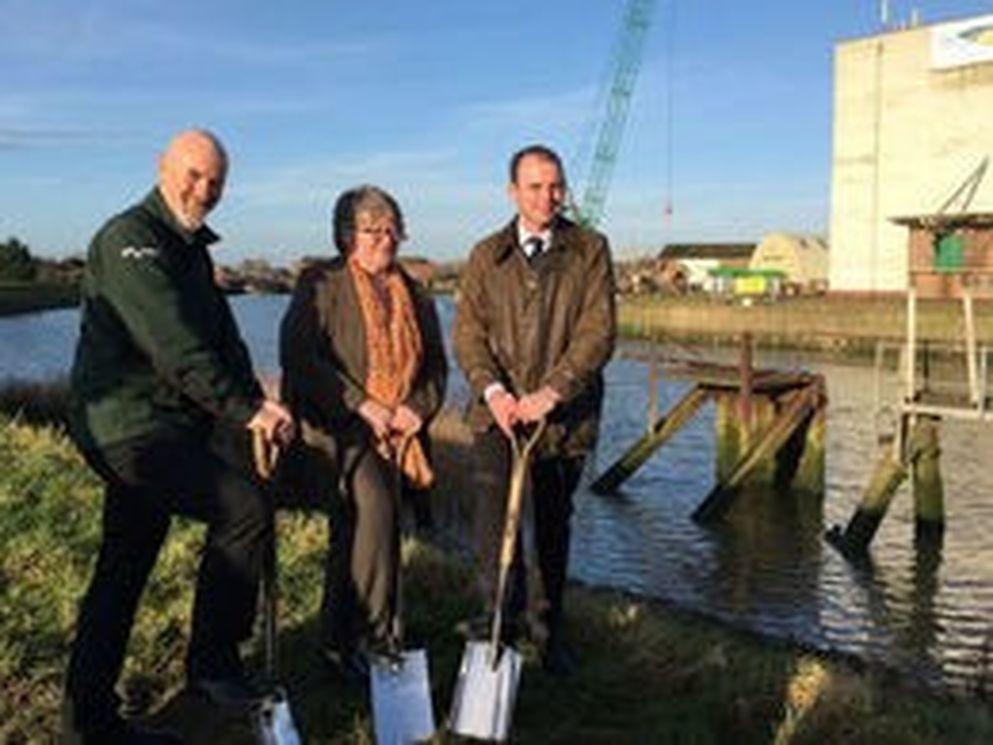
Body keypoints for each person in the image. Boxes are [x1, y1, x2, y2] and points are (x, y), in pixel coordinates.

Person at [62, 129, 295, 743]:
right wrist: (245, 411)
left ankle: (90, 718)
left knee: (125, 563)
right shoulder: (130, 240)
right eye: (194, 174)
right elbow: (174, 347)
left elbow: (223, 342)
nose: (205, 189)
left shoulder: (189, 249)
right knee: (243, 508)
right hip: (128, 427)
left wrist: (260, 402)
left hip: (162, 427)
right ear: (163, 168)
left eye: (216, 181)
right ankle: (213, 667)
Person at [452, 144, 616, 675]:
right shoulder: (485, 255)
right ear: (512, 192)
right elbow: (469, 333)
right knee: (493, 519)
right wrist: (494, 392)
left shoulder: (590, 249)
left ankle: (548, 631)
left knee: (551, 525)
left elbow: (598, 331)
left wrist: (553, 391)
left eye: (556, 186)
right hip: (497, 416)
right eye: (535, 187)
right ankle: (496, 623)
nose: (548, 197)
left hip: (562, 418)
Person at [280, 185, 446, 679]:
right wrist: (363, 405)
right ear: (346, 235)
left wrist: (418, 410)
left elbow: (436, 366)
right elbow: (300, 358)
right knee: (374, 509)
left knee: (371, 526)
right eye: (374, 230)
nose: (386, 239)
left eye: (393, 229)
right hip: (335, 429)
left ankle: (355, 636)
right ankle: (370, 634)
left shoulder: (415, 292)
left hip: (401, 432)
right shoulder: (320, 283)